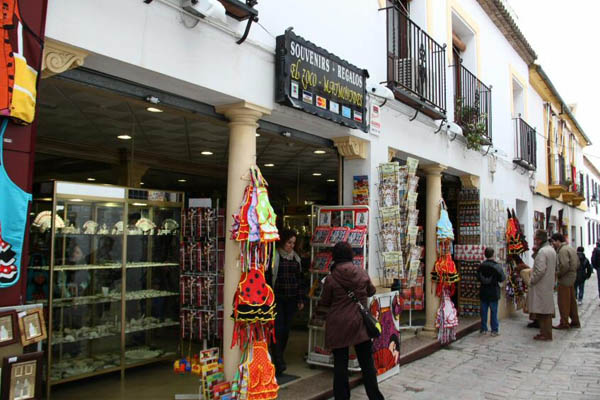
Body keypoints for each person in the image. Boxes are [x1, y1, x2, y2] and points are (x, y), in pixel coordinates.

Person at [318, 242, 383, 400]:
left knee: (340, 365)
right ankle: (375, 397)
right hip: (360, 323)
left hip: (338, 325)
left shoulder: (331, 278)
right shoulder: (361, 273)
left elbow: (324, 302)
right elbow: (371, 291)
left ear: (335, 256)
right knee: (367, 364)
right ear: (350, 255)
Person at [267, 229, 305, 376]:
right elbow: (270, 278)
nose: (291, 246)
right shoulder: (274, 257)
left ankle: (279, 356)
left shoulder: (296, 259)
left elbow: (300, 280)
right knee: (277, 329)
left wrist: (300, 299)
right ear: (283, 241)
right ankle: (278, 360)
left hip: (291, 299)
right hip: (277, 299)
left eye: (293, 243)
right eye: (289, 242)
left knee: (286, 330)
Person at [527, 230, 556, 341]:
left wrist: (531, 280)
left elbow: (540, 270)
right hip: (547, 284)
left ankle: (545, 333)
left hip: (541, 285)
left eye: (535, 239)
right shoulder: (550, 250)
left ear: (539, 240)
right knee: (545, 310)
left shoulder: (543, 252)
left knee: (543, 312)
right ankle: (544, 332)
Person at [551, 233, 580, 329]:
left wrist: (558, 274)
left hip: (565, 279)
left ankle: (564, 322)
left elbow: (564, 265)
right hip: (572, 277)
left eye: (553, 242)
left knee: (563, 302)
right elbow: (577, 263)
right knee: (571, 301)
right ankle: (575, 321)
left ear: (558, 241)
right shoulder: (570, 248)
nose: (553, 244)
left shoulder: (563, 251)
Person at [477, 247, 506, 336]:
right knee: (494, 312)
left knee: (484, 311)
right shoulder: (496, 266)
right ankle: (494, 330)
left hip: (483, 291)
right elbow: (502, 278)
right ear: (493, 254)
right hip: (493, 291)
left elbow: (478, 278)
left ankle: (483, 328)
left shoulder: (481, 266)